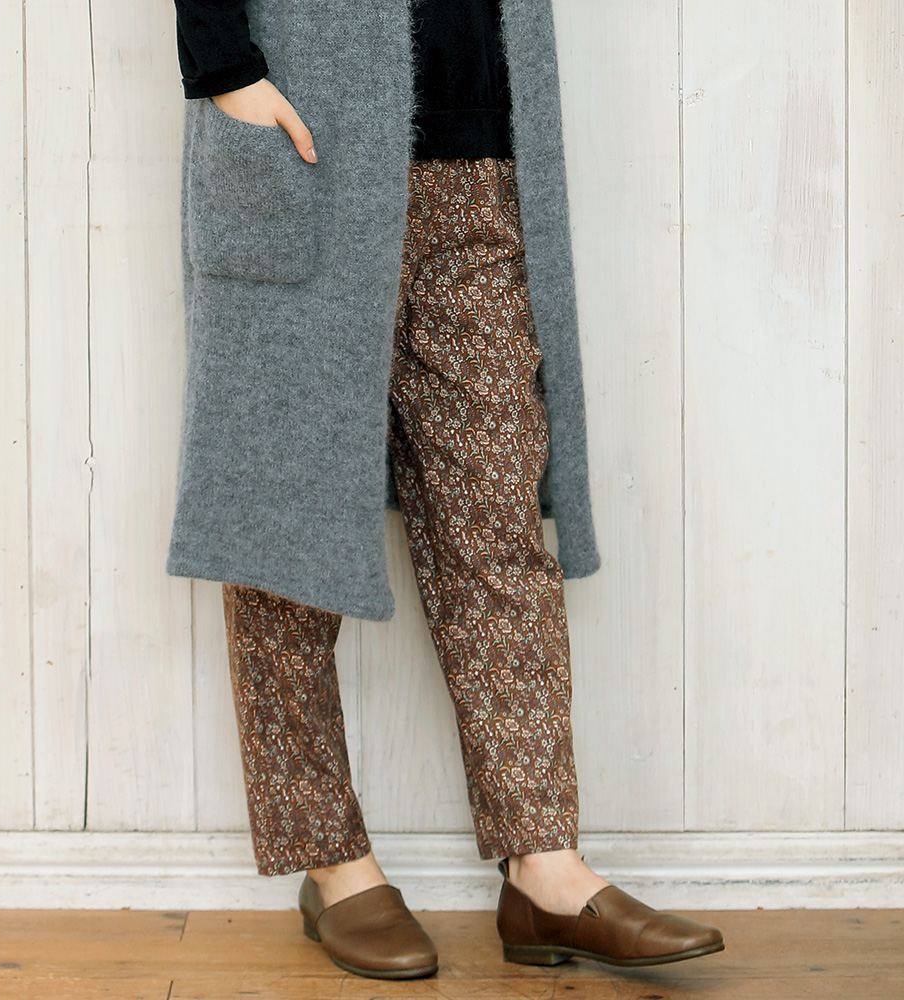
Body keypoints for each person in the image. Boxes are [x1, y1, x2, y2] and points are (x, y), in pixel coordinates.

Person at [168, 0, 725, 981]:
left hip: (485, 153)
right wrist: (225, 69)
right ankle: (333, 861)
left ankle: (544, 867)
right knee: (284, 514)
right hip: (304, 133)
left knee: (495, 516)